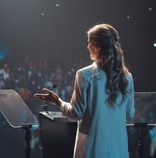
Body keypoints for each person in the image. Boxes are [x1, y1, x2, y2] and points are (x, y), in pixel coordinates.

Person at [34, 23, 135, 158]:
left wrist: (58, 101)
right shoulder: (127, 77)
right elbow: (130, 114)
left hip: (92, 149)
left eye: (90, 42)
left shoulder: (84, 75)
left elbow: (75, 113)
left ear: (98, 46)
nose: (87, 46)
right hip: (119, 149)